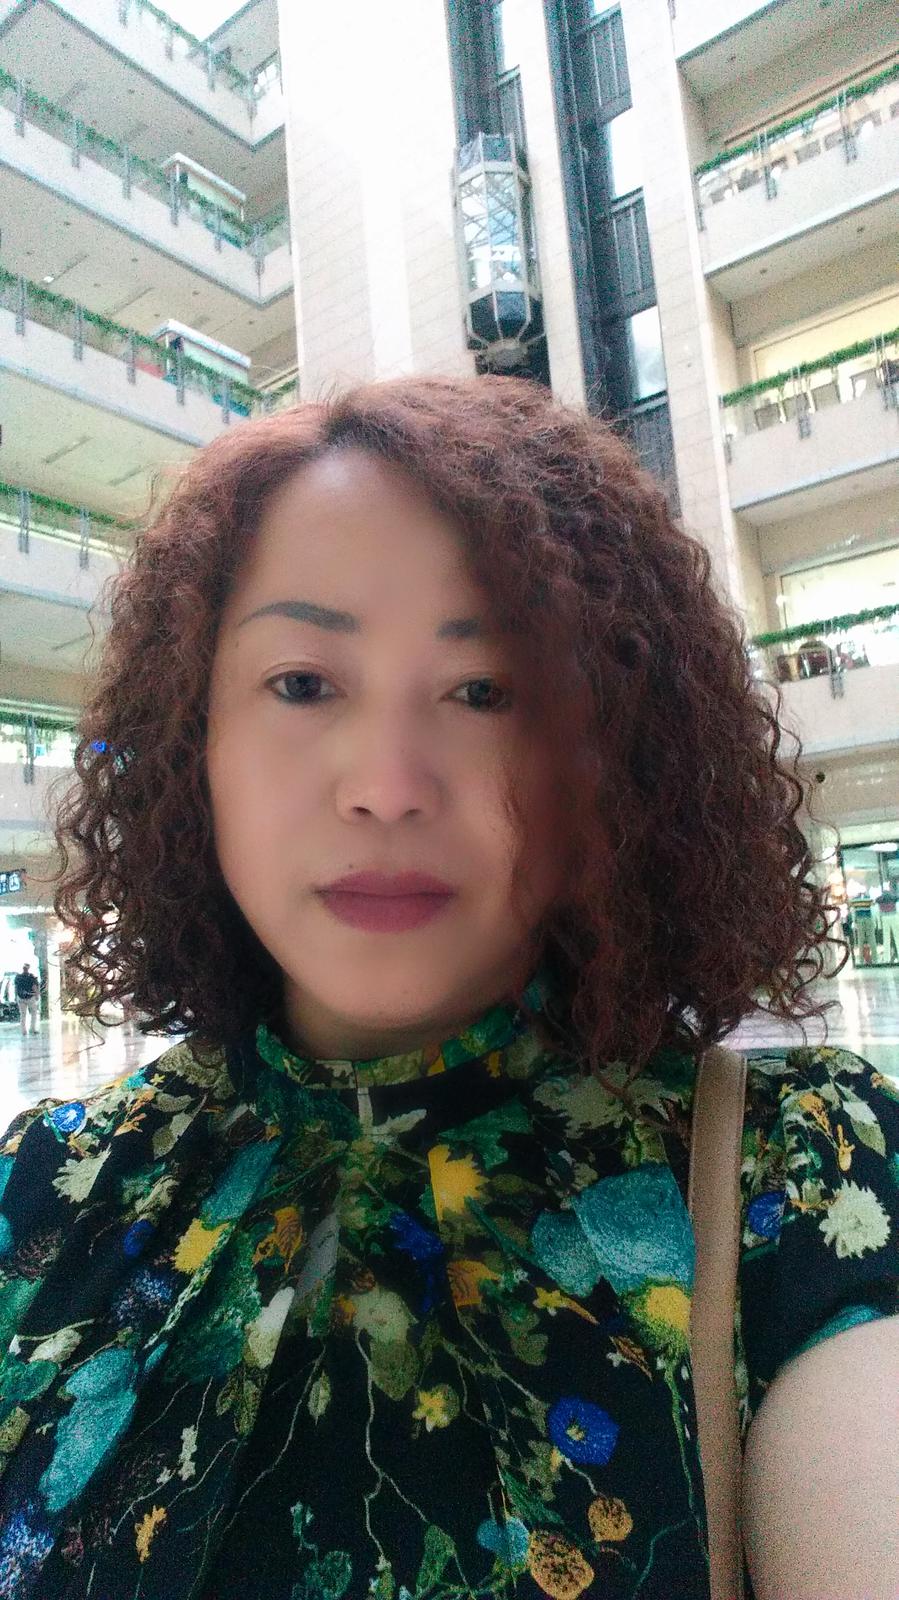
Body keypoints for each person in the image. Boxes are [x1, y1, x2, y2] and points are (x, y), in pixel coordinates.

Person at [0, 375, 895, 1600]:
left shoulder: (794, 1175)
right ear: (191, 740)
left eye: (483, 692)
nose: (385, 785)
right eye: (302, 682)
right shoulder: (42, 1187)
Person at [13, 960, 40, 1035]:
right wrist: (37, 995)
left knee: (23, 1015)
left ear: (23, 968)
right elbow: (34, 987)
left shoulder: (18, 977)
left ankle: (23, 1031)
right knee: (34, 1013)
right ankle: (32, 1029)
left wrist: (16, 996)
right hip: (30, 997)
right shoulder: (31, 977)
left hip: (21, 997)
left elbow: (16, 988)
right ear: (28, 969)